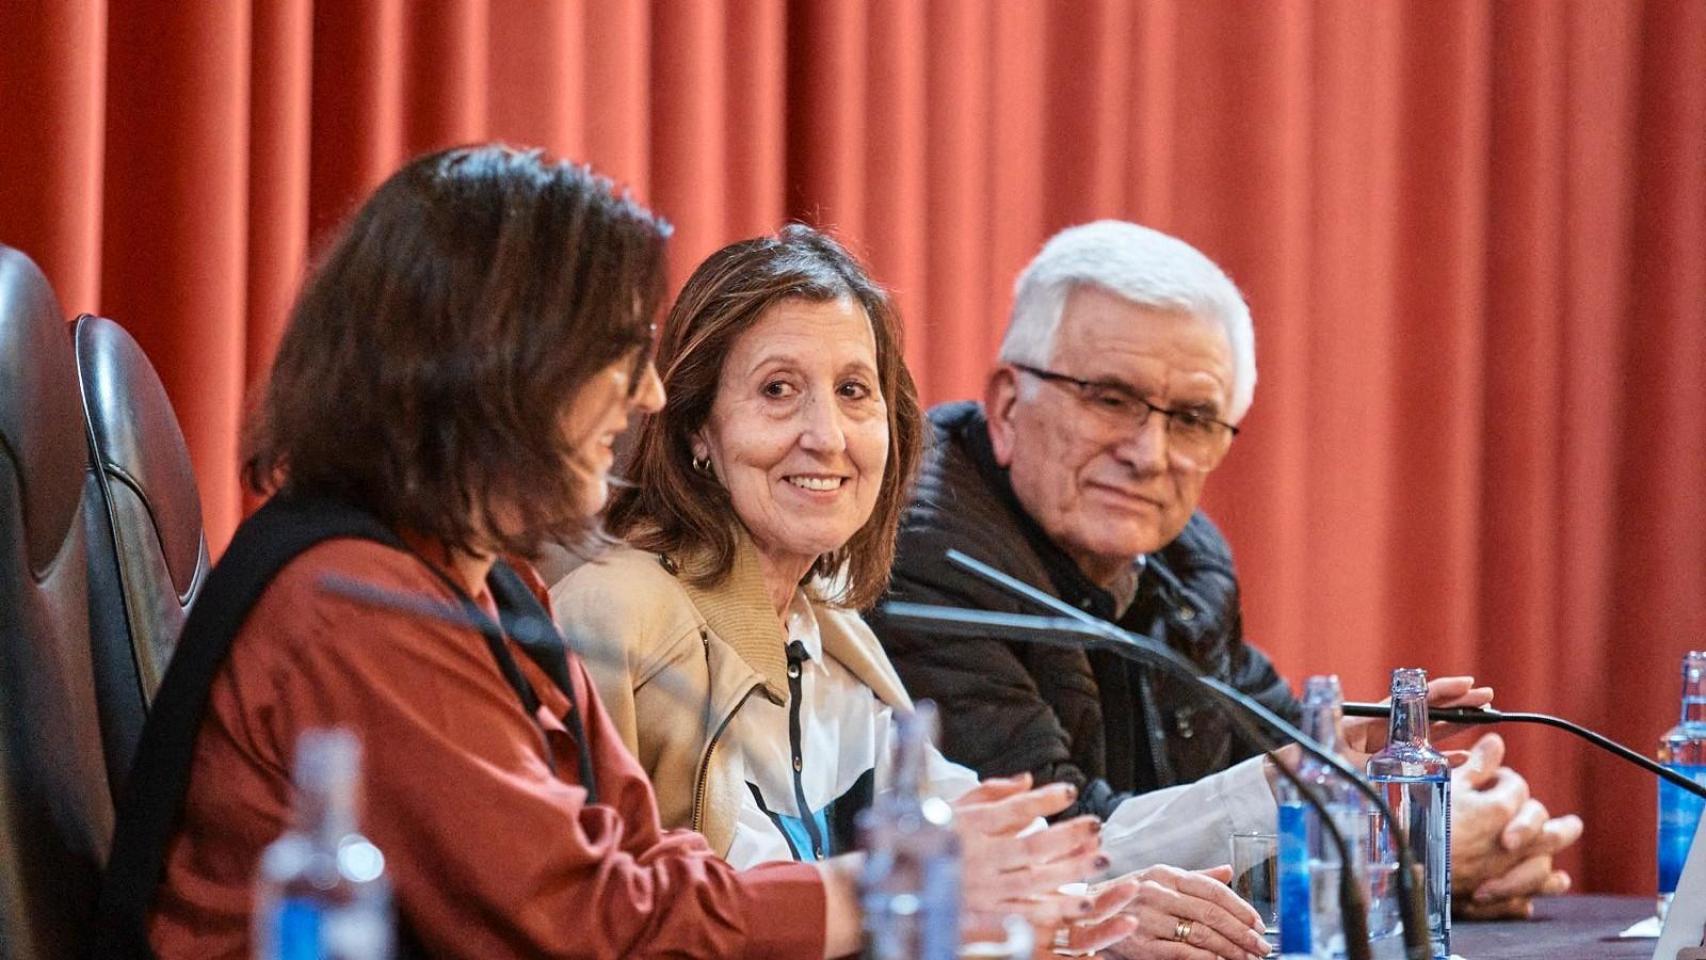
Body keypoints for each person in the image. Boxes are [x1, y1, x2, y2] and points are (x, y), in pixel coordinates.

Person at [105, 145, 875, 960]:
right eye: (619, 352)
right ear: (503, 363)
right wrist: (887, 888)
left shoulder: (490, 579)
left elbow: (634, 850)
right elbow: (586, 926)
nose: (649, 393)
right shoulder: (356, 606)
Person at [550, 224, 1273, 959]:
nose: (827, 436)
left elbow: (993, 857)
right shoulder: (617, 615)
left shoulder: (830, 629)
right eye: (778, 391)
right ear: (698, 426)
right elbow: (604, 920)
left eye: (853, 392)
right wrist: (1070, 921)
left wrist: (1094, 916)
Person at [872, 220, 1584, 920]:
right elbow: (1060, 855)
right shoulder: (927, 555)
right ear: (1006, 405)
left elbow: (1279, 767)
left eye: (1190, 418)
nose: (1149, 454)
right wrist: (1402, 854)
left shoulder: (1185, 561)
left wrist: (1438, 817)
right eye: (1111, 399)